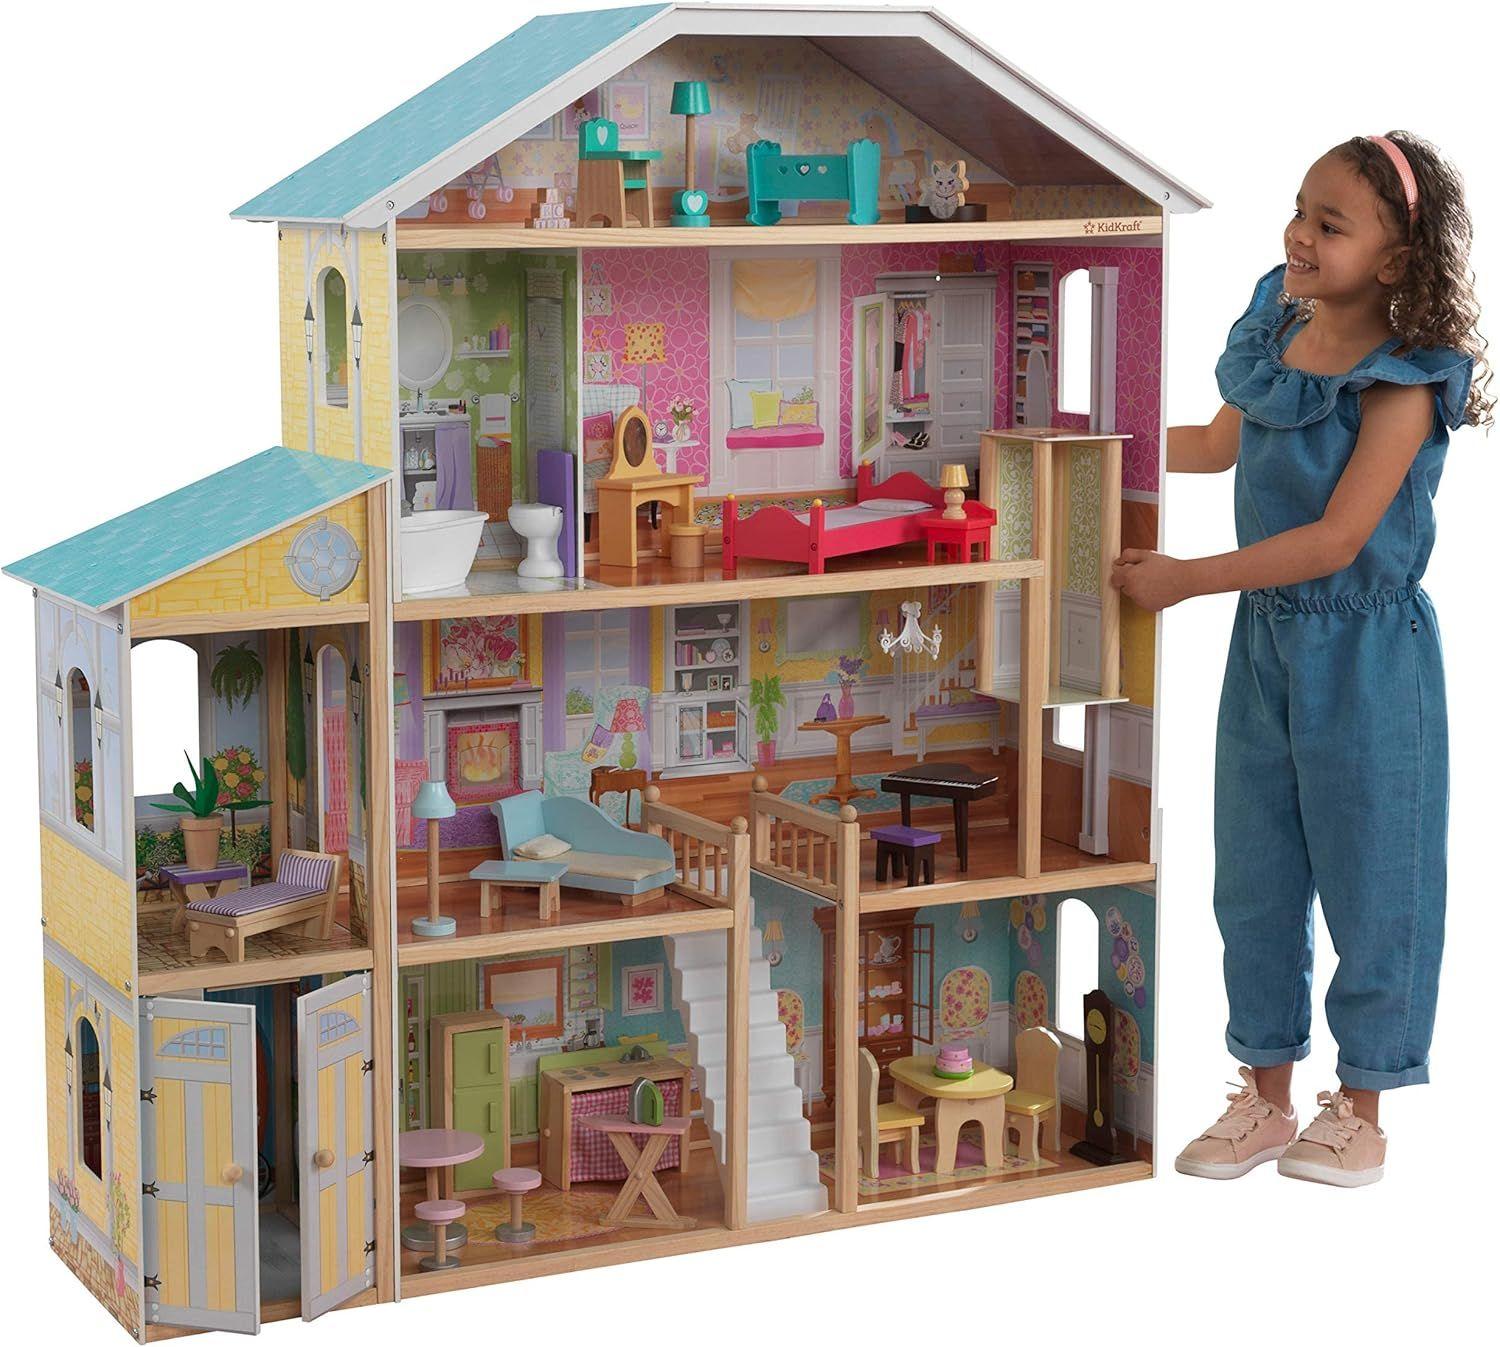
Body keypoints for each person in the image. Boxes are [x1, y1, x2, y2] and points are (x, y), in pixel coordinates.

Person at [1112, 133, 1491, 1186]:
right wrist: (1090, 441)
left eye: (1331, 223)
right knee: (1256, 870)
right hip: (1267, 644)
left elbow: (1336, 539)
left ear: (1395, 258)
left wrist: (1187, 577)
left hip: (1367, 652)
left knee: (1374, 872)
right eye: (1299, 211)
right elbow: (1212, 446)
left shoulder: (1403, 382)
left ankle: (1362, 1106)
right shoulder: (1281, 332)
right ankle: (1265, 1095)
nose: (1301, 235)